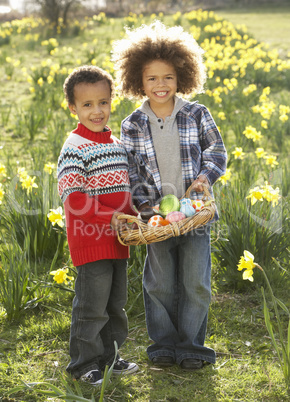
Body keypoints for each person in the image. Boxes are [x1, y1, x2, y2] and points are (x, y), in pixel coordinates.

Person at [112, 21, 227, 370]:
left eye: (168, 77)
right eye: (152, 78)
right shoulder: (132, 124)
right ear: (137, 81)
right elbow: (130, 172)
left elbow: (217, 152)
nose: (160, 85)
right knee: (159, 283)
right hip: (156, 220)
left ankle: (192, 347)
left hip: (194, 213)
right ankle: (162, 344)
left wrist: (205, 179)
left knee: (195, 282)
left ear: (182, 77)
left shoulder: (197, 113)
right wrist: (145, 207)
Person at [57, 65, 138, 385]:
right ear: (73, 108)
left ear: (111, 101)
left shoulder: (116, 144)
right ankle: (84, 363)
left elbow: (124, 192)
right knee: (92, 306)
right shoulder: (75, 147)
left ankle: (111, 356)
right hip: (90, 239)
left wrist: (135, 218)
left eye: (102, 102)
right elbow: (73, 199)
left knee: (115, 304)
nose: (97, 110)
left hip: (119, 238)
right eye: (87, 105)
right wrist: (111, 217)